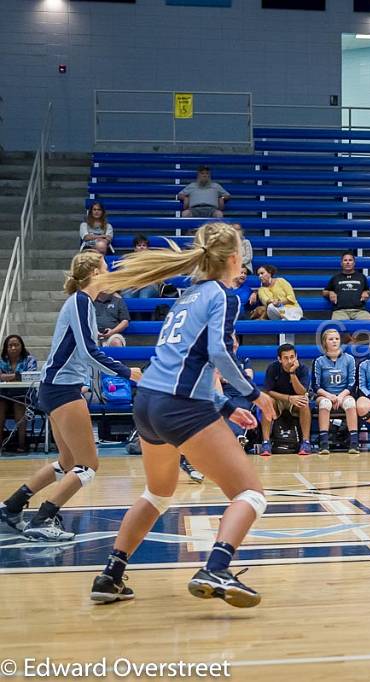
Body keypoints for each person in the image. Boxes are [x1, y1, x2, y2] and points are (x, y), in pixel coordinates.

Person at [82, 222, 275, 607]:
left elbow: (185, 362)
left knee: (158, 492)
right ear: (235, 258)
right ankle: (216, 567)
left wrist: (224, 406)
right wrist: (255, 395)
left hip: (149, 402)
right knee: (251, 493)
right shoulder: (224, 296)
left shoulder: (185, 297)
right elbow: (219, 354)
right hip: (180, 406)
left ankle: (110, 575)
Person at [0, 253, 140, 542]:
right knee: (88, 465)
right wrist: (128, 372)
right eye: (105, 268)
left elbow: (80, 350)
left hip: (59, 387)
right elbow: (89, 352)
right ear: (93, 273)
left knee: (66, 462)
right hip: (62, 388)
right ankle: (43, 518)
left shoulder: (84, 303)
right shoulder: (80, 301)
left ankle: (11, 507)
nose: (109, 272)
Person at [311, 328, 360, 456]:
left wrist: (341, 396)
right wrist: (329, 395)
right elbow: (316, 385)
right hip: (324, 394)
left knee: (350, 403)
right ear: (325, 342)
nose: (334, 341)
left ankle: (354, 443)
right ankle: (324, 443)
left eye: (337, 339)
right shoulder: (319, 361)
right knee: (325, 404)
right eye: (331, 339)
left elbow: (352, 383)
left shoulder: (349, 359)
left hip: (344, 394)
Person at [259, 343, 312, 457]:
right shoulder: (272, 368)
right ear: (279, 359)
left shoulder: (302, 369)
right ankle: (266, 443)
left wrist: (292, 373)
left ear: (296, 357)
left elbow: (302, 392)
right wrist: (288, 398)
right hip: (278, 399)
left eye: (292, 357)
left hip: (296, 399)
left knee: (304, 402)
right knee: (266, 402)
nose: (289, 361)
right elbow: (268, 391)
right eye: (286, 358)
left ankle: (306, 442)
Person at [0, 334, 38, 453]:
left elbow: (30, 376)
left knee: (19, 404)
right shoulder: (1, 361)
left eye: (16, 345)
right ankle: (1, 443)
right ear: (6, 348)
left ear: (22, 346)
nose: (13, 348)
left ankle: (22, 443)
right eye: (10, 345)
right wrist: (17, 376)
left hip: (24, 396)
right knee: (0, 405)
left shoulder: (30, 360)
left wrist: (6, 377)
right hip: (3, 395)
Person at [322, 252, 370, 321]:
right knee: (335, 328)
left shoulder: (361, 277)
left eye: (350, 260)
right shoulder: (335, 278)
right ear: (341, 263)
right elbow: (324, 292)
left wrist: (366, 292)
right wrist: (330, 293)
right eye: (345, 260)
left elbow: (368, 290)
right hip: (340, 311)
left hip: (359, 311)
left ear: (354, 263)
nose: (348, 262)